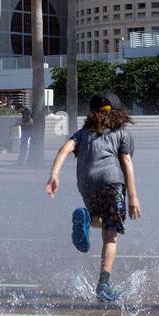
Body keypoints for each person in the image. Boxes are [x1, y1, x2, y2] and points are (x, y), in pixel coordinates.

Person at [45, 91, 140, 304]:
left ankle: (86, 219)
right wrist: (133, 196)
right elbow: (126, 162)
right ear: (118, 113)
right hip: (111, 182)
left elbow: (64, 149)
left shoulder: (83, 132)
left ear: (92, 113)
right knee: (112, 233)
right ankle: (104, 284)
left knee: (101, 220)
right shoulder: (122, 132)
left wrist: (54, 175)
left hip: (86, 183)